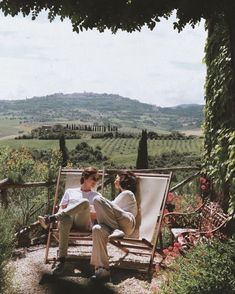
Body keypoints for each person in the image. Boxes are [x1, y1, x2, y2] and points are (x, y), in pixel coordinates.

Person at [38, 166, 101, 275]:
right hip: (68, 222)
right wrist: (68, 213)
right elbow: (62, 208)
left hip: (83, 223)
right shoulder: (70, 191)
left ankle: (50, 218)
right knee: (66, 220)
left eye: (97, 179)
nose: (95, 181)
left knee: (85, 202)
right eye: (93, 178)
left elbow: (97, 216)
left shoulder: (97, 196)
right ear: (85, 178)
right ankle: (61, 261)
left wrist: (83, 210)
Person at [90, 171, 138, 282]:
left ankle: (115, 229)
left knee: (97, 199)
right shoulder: (122, 195)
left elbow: (109, 207)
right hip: (115, 226)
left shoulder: (128, 193)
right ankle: (103, 270)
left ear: (122, 179)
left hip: (127, 223)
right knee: (97, 229)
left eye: (117, 177)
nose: (115, 179)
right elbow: (107, 209)